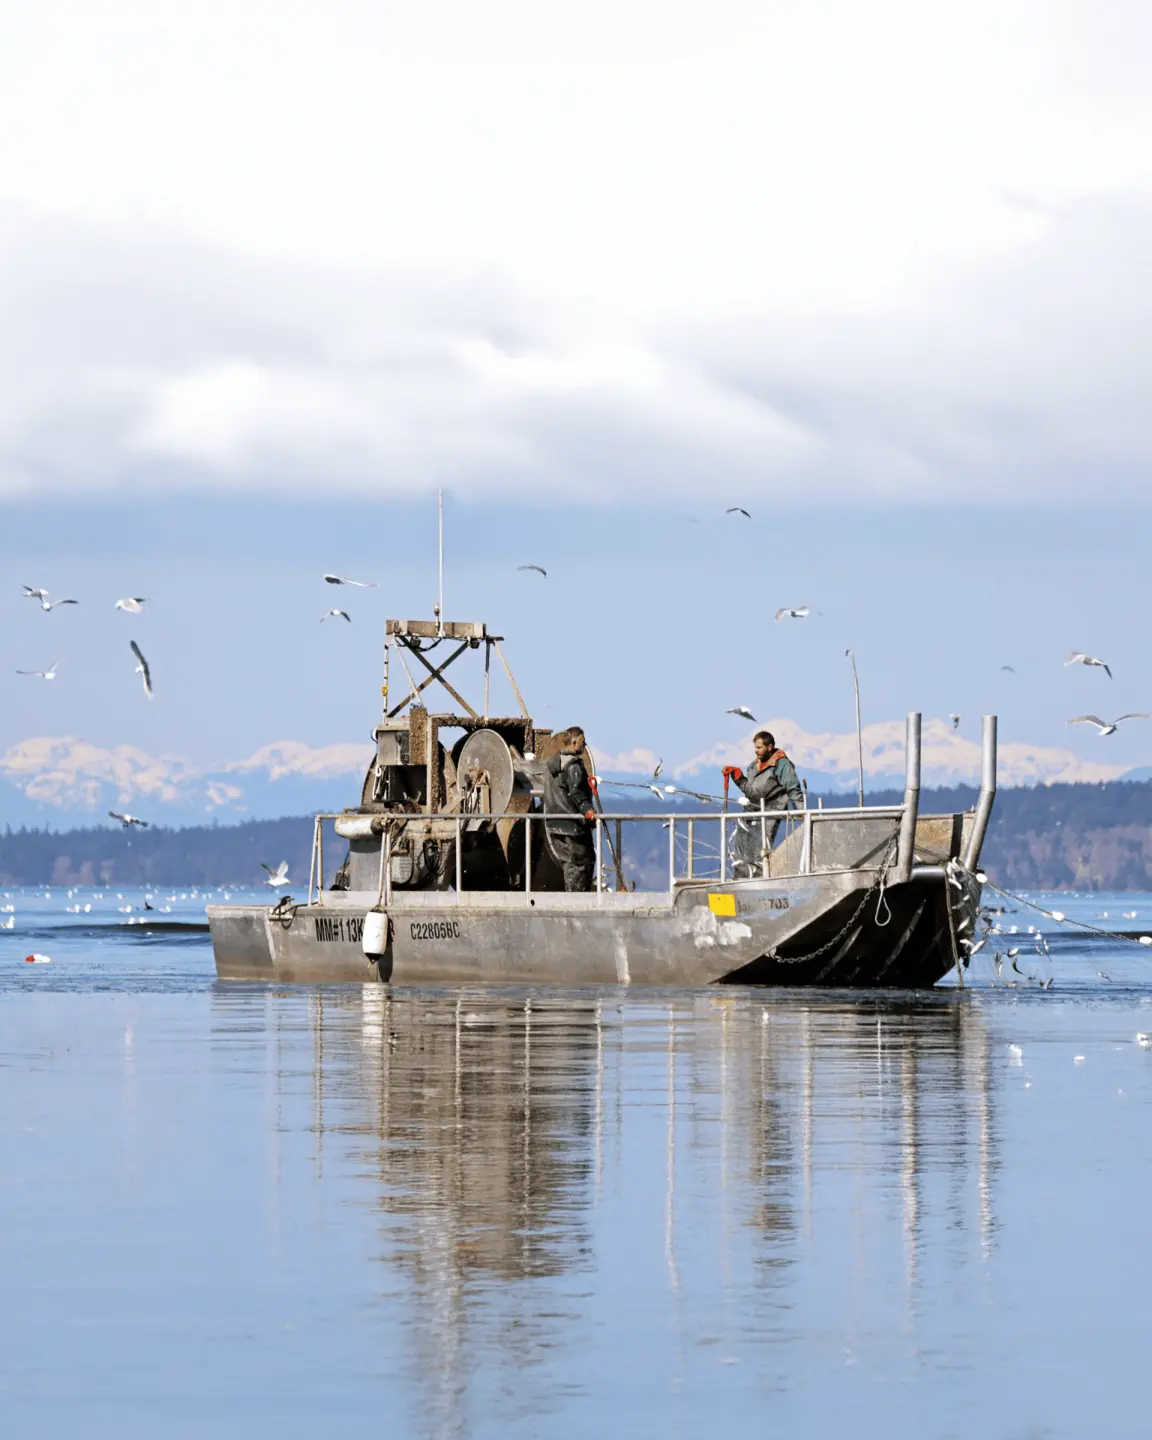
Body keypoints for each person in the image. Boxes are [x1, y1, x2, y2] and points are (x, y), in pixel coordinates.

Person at [722, 731, 804, 877]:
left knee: (760, 852)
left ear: (769, 747)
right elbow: (751, 792)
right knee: (740, 851)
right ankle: (740, 880)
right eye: (755, 747)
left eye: (759, 747)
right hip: (750, 812)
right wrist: (739, 778)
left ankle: (759, 881)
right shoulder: (753, 766)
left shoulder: (781, 764)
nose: (756, 751)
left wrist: (802, 812)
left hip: (770, 813)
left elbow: (792, 787)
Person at [543, 726, 598, 892]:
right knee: (583, 862)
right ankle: (578, 901)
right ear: (575, 743)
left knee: (569, 864)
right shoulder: (573, 766)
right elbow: (576, 792)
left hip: (553, 824)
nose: (584, 744)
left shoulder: (551, 764)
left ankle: (571, 897)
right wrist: (588, 809)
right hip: (572, 826)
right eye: (582, 741)